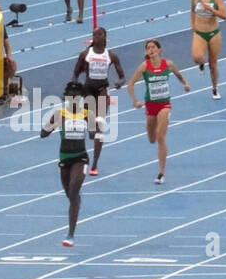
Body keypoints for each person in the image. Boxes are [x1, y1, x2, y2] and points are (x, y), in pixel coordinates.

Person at [126, 38, 190, 185]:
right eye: (148, 48)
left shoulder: (168, 64)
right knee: (152, 139)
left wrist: (185, 83)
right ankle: (155, 139)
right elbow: (130, 84)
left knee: (161, 137)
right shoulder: (144, 66)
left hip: (164, 105)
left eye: (153, 47)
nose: (151, 50)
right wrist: (135, 100)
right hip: (150, 106)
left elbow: (178, 74)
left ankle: (161, 173)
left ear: (159, 50)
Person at [40, 80, 90, 247]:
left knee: (74, 189)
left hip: (81, 157)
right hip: (65, 159)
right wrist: (52, 125)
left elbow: (94, 134)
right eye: (71, 97)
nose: (74, 99)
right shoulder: (59, 114)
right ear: (67, 98)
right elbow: (43, 134)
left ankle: (70, 234)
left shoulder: (86, 114)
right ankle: (76, 204)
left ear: (82, 98)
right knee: (71, 195)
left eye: (77, 97)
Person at [72, 25, 126, 175]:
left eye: (99, 34)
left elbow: (122, 76)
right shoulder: (85, 54)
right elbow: (75, 73)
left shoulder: (111, 56)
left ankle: (94, 164)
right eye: (94, 35)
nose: (96, 37)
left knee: (99, 127)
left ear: (105, 37)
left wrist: (120, 83)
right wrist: (75, 86)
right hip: (88, 91)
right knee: (91, 132)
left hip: (102, 90)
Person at [190, 0, 226, 99]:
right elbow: (192, 11)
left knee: (213, 64)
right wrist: (193, 27)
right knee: (197, 57)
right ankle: (201, 63)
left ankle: (215, 88)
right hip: (199, 33)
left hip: (213, 33)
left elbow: (224, 16)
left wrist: (211, 9)